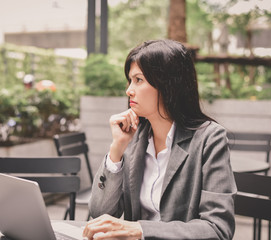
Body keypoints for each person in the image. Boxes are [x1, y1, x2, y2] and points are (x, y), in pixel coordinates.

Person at [82, 39, 237, 240]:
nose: (129, 90)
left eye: (138, 80)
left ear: (168, 84)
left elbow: (218, 228)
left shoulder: (209, 138)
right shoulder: (134, 137)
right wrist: (117, 149)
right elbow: (100, 212)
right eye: (130, 80)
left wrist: (140, 230)